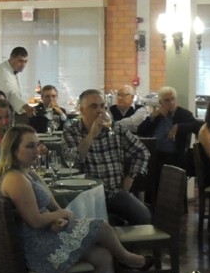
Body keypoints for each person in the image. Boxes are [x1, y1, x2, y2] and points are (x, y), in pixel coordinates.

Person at [0, 125, 153, 273]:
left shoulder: (29, 173)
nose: (37, 150)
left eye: (37, 145)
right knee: (101, 226)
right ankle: (128, 258)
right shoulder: (15, 179)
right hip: (36, 246)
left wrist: (59, 218)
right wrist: (61, 214)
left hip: (47, 234)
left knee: (103, 257)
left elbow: (53, 206)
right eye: (30, 146)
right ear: (13, 150)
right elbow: (34, 220)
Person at [64, 89, 151, 225]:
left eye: (102, 106)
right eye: (93, 106)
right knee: (97, 225)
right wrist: (92, 134)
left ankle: (125, 236)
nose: (100, 111)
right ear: (81, 110)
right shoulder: (71, 131)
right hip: (85, 195)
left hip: (113, 192)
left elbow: (142, 151)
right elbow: (73, 161)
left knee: (143, 216)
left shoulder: (116, 128)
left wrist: (131, 176)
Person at [137, 86, 203, 176]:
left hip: (174, 157)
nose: (171, 103)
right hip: (155, 155)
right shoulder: (158, 115)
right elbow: (140, 131)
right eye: (167, 100)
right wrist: (152, 117)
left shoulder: (183, 114)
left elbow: (197, 126)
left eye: (173, 99)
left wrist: (178, 127)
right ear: (160, 103)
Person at [0, 47, 35, 118]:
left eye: (25, 62)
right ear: (11, 58)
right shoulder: (2, 72)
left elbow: (16, 93)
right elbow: (10, 94)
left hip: (7, 112)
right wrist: (25, 106)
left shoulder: (12, 70)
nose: (23, 65)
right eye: (20, 61)